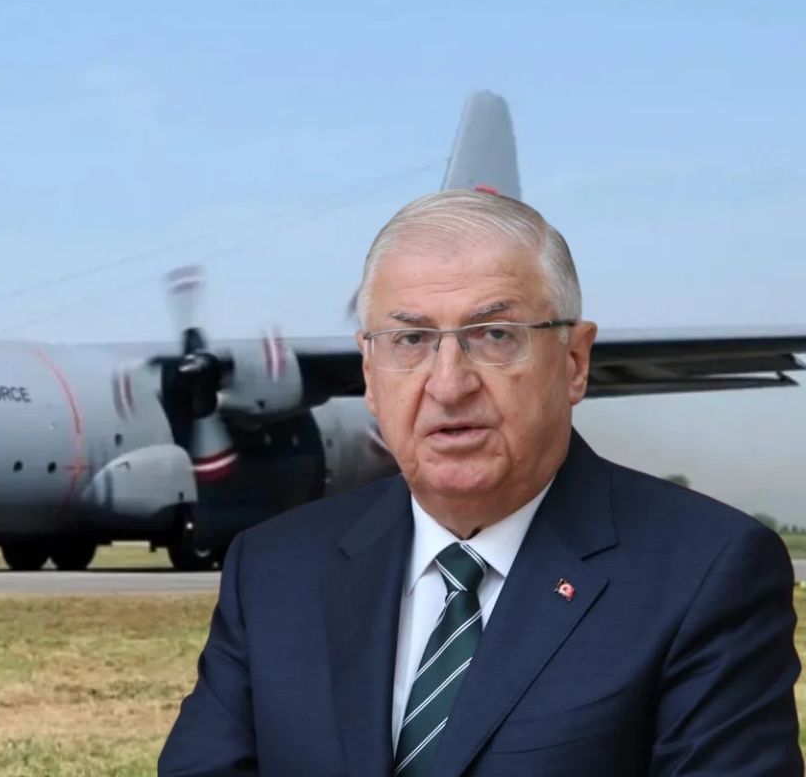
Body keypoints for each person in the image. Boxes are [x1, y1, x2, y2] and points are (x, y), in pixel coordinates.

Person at [158, 189, 802, 776]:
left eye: (495, 335)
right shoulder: (272, 570)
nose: (448, 385)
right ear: (370, 377)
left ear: (574, 362)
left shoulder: (707, 574)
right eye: (410, 339)